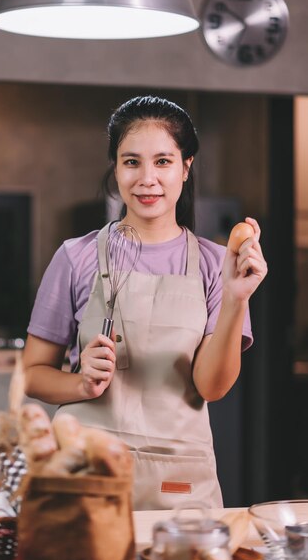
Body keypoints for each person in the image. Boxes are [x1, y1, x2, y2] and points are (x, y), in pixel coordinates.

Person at [23, 95, 268, 510]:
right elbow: (31, 375)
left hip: (177, 484)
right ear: (116, 168)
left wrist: (235, 299)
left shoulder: (215, 263)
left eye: (164, 161)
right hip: (87, 476)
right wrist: (80, 382)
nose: (146, 179)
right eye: (132, 162)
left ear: (186, 167)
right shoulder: (75, 257)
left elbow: (212, 386)